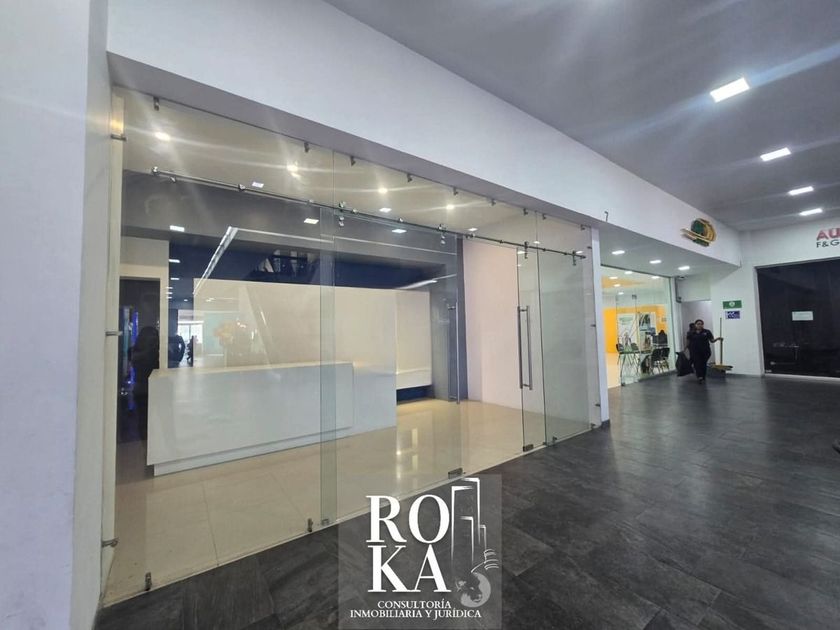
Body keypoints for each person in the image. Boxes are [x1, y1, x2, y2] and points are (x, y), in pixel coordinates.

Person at [686, 319, 722, 383]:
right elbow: (688, 342)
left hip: (705, 351)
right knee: (697, 364)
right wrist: (684, 349)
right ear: (695, 325)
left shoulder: (707, 332)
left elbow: (712, 341)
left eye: (701, 324)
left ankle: (703, 376)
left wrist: (718, 338)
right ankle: (699, 377)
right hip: (694, 352)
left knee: (703, 364)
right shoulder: (691, 333)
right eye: (698, 324)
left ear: (703, 325)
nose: (700, 325)